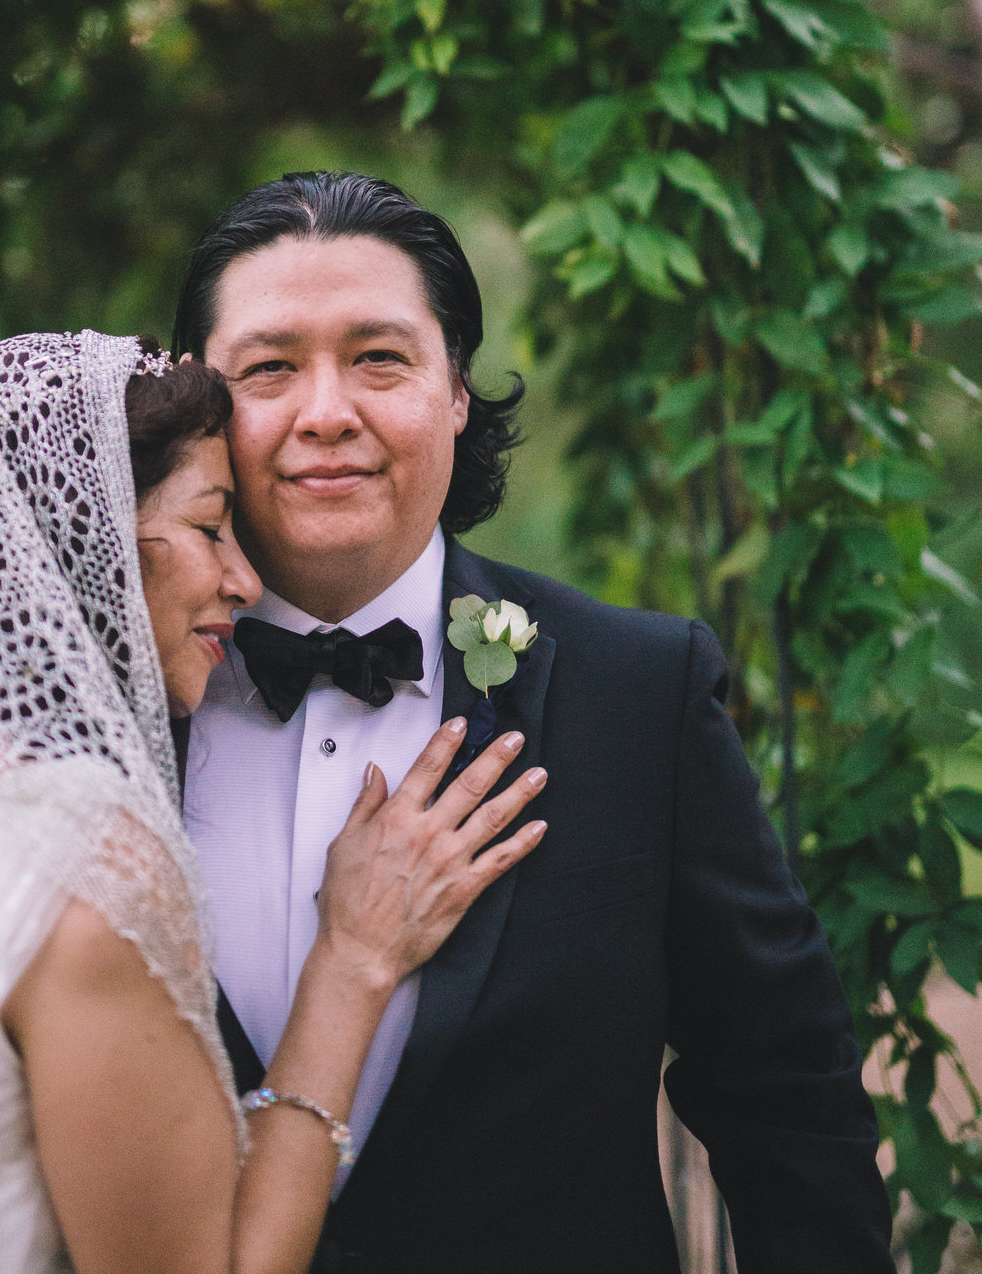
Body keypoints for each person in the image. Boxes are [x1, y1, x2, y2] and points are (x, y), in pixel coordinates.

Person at [172, 170, 898, 1274]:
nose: (327, 410)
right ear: (202, 407)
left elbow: (786, 1099)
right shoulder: (105, 707)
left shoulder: (639, 692)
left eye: (379, 357)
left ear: (457, 391)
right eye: (271, 367)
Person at [0, 330, 547, 1274]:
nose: (244, 578)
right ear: (87, 540)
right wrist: (352, 960)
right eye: (208, 527)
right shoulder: (78, 859)